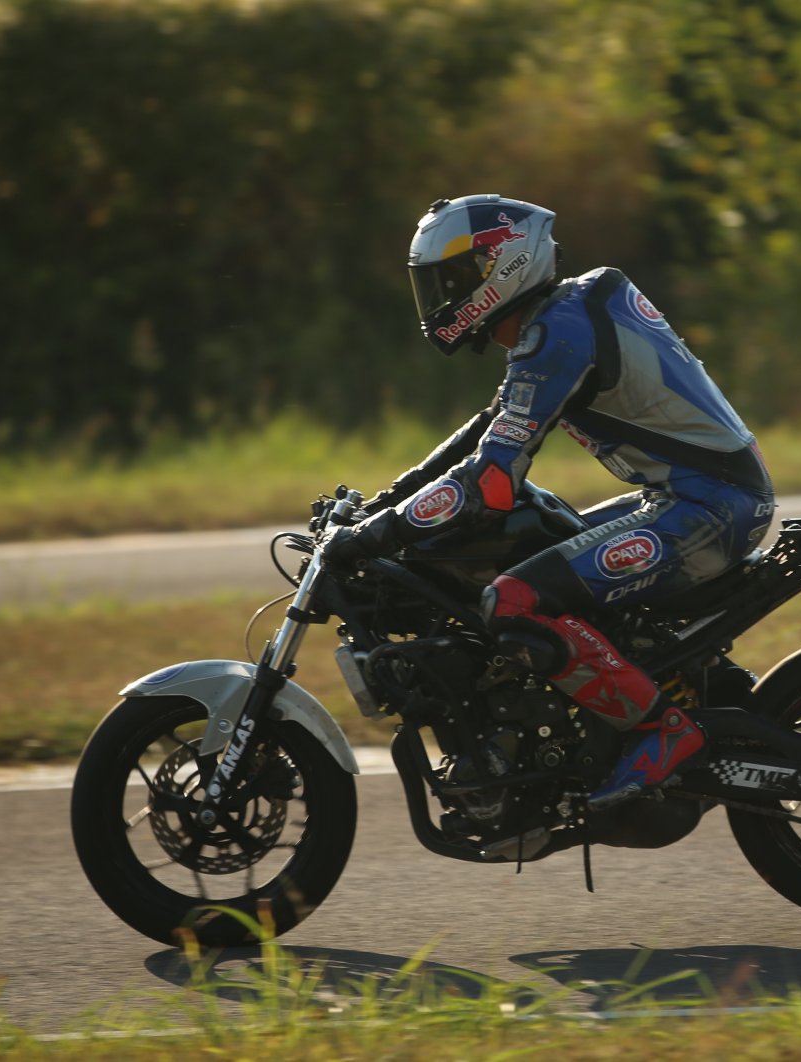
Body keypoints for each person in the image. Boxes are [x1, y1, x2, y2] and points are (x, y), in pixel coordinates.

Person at [328, 194, 775, 809]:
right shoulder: (560, 319)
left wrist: (376, 535)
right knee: (537, 538)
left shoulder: (559, 332)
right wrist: (384, 502)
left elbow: (489, 483)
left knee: (512, 600)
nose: (440, 296)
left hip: (711, 509)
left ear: (502, 264)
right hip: (691, 498)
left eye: (453, 278)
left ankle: (658, 731)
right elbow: (485, 433)